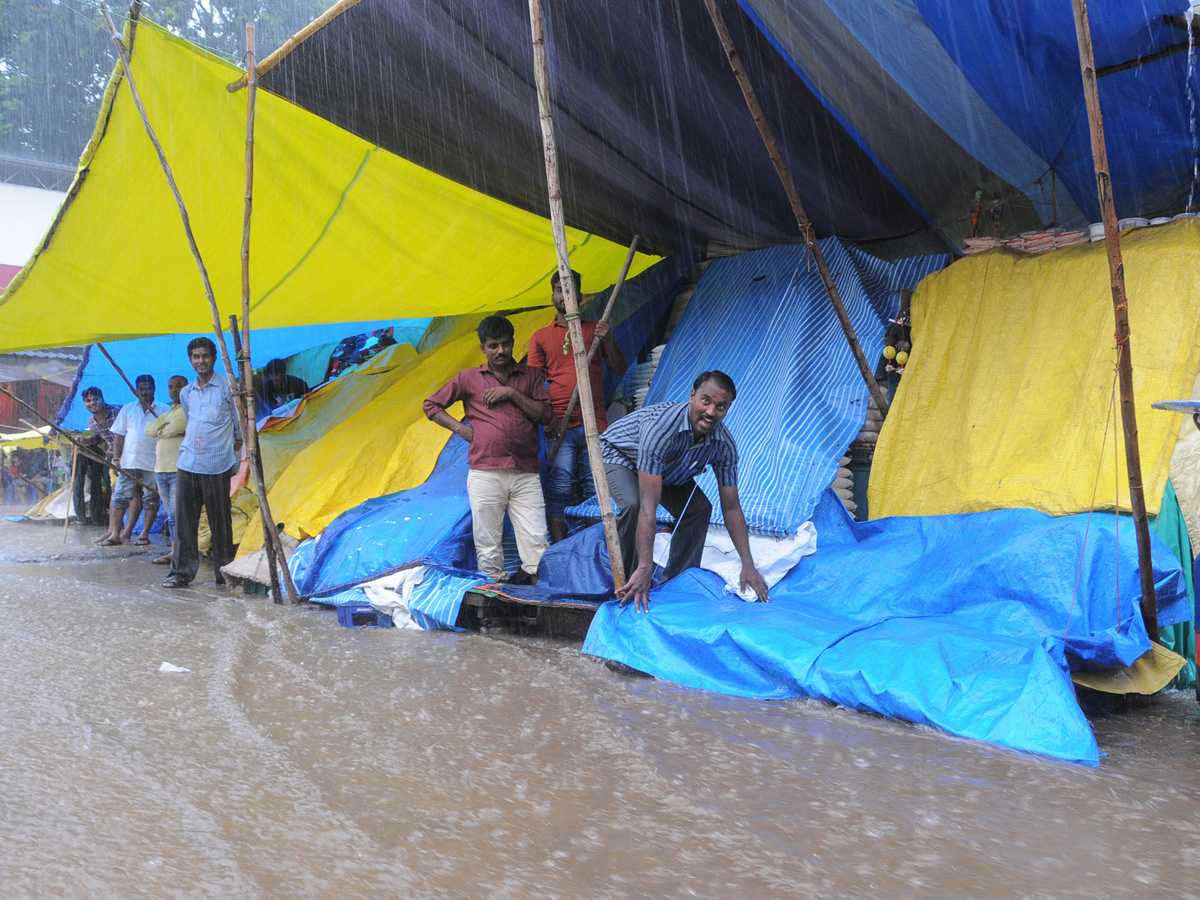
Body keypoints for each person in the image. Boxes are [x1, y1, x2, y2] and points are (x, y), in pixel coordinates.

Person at [599, 370, 769, 612]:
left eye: (721, 406)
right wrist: (646, 567)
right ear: (692, 396)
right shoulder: (662, 429)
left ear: (728, 409)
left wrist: (748, 564)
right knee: (634, 505)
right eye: (706, 401)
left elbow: (731, 506)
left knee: (699, 509)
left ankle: (675, 587)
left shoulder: (724, 446)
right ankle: (630, 583)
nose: (711, 412)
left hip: (665, 470)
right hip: (620, 455)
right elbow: (649, 507)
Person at [424, 315, 553, 584]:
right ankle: (495, 595)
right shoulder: (469, 378)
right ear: (482, 347)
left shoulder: (530, 376)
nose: (501, 351)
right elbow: (431, 406)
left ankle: (540, 594)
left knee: (537, 539)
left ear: (513, 343)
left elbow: (546, 416)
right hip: (486, 472)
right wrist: (462, 430)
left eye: (506, 344)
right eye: (493, 345)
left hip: (525, 473)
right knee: (488, 544)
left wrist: (511, 393)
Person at [528, 268, 628, 542]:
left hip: (594, 422)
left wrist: (607, 339)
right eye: (561, 290)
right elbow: (533, 384)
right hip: (559, 423)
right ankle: (562, 549)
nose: (565, 295)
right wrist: (546, 420)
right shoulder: (540, 336)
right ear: (553, 296)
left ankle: (591, 546)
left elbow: (619, 367)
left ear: (581, 295)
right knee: (560, 487)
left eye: (571, 289)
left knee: (593, 487)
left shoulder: (596, 329)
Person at [163, 338, 241, 589]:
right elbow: (191, 421)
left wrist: (238, 455)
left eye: (205, 356)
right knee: (185, 522)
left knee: (221, 522)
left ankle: (224, 573)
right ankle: (181, 574)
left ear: (214, 357)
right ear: (190, 360)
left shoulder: (228, 387)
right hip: (188, 462)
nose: (201, 361)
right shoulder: (186, 392)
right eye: (196, 357)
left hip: (217, 463)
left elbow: (239, 423)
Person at [100, 374, 164, 546]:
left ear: (154, 389)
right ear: (136, 390)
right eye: (141, 389)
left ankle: (144, 534)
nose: (145, 392)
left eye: (148, 389)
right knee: (119, 497)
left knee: (150, 498)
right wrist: (116, 459)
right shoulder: (128, 409)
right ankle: (114, 534)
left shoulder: (164, 409)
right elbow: (119, 435)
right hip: (129, 461)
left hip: (154, 462)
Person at [145, 375, 189, 565]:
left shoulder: (188, 410)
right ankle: (175, 550)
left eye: (178, 386)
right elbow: (148, 430)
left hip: (177, 469)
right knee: (171, 513)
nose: (174, 390)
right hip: (161, 469)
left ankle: (178, 552)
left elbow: (173, 429)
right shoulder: (171, 411)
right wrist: (162, 427)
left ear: (187, 388)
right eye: (170, 387)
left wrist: (161, 429)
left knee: (176, 514)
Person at [73, 387, 119, 526]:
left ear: (102, 399)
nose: (92, 403)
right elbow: (100, 439)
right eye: (88, 401)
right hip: (112, 456)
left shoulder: (117, 412)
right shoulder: (91, 421)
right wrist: (86, 441)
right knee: (112, 487)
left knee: (126, 489)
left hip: (129, 453)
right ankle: (115, 523)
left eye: (95, 399)